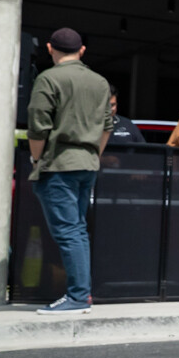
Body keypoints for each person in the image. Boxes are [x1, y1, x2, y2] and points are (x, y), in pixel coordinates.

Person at [26, 27, 114, 314]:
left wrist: (36, 159)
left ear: (50, 48)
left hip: (58, 164)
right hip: (87, 164)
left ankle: (78, 296)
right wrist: (92, 156)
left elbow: (38, 126)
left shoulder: (48, 78)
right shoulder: (100, 82)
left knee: (69, 232)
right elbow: (106, 126)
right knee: (77, 230)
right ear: (82, 50)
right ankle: (81, 294)